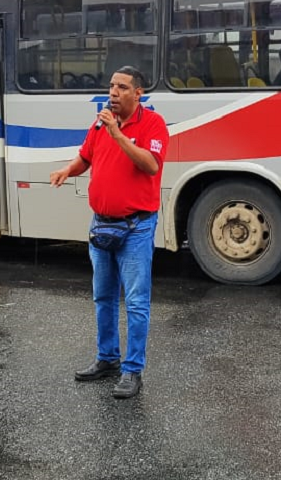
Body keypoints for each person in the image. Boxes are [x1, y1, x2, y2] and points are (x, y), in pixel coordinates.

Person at [49, 65, 169, 399]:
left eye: (121, 87)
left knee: (136, 302)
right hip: (101, 224)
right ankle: (107, 359)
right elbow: (86, 157)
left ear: (137, 93)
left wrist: (118, 134)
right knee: (103, 297)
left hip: (136, 227)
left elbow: (150, 165)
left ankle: (132, 371)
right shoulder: (100, 123)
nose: (113, 92)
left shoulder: (153, 124)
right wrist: (67, 170)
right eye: (111, 86)